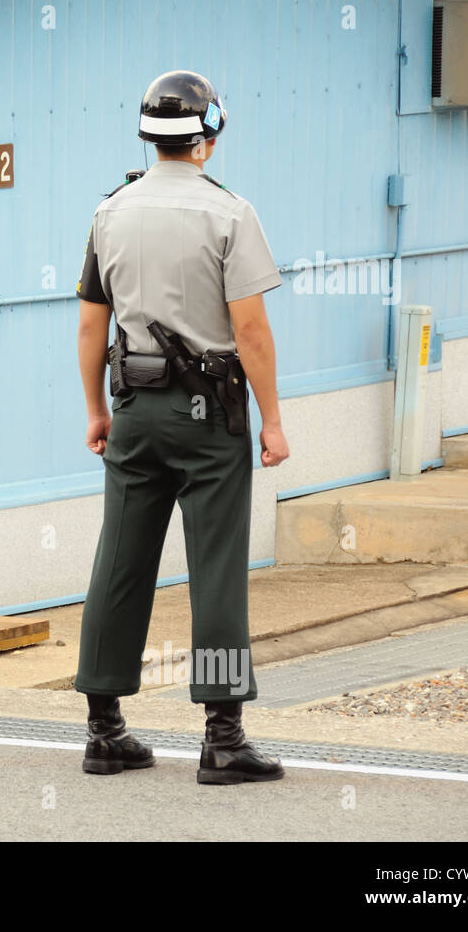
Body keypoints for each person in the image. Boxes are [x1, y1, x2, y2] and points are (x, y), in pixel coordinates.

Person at [73, 71, 290, 784]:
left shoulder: (111, 211)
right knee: (218, 571)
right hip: (209, 415)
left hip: (133, 406)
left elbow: (89, 323)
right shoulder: (230, 214)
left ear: (148, 136)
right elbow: (251, 331)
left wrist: (96, 411)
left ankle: (104, 731)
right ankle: (223, 738)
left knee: (120, 561)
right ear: (207, 137)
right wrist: (273, 420)